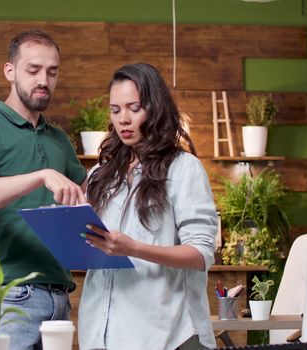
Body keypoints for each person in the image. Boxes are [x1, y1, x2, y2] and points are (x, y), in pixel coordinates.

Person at [0, 30, 87, 350]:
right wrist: (41, 175)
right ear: (10, 71)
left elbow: (85, 199)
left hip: (60, 297)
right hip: (10, 295)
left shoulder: (58, 140)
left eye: (52, 72)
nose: (44, 80)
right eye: (33, 70)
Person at [78, 63, 218, 350]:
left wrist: (133, 248)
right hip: (101, 334)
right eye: (115, 110)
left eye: (134, 108)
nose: (123, 120)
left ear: (155, 108)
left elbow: (201, 253)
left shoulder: (184, 169)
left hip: (168, 336)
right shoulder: (101, 175)